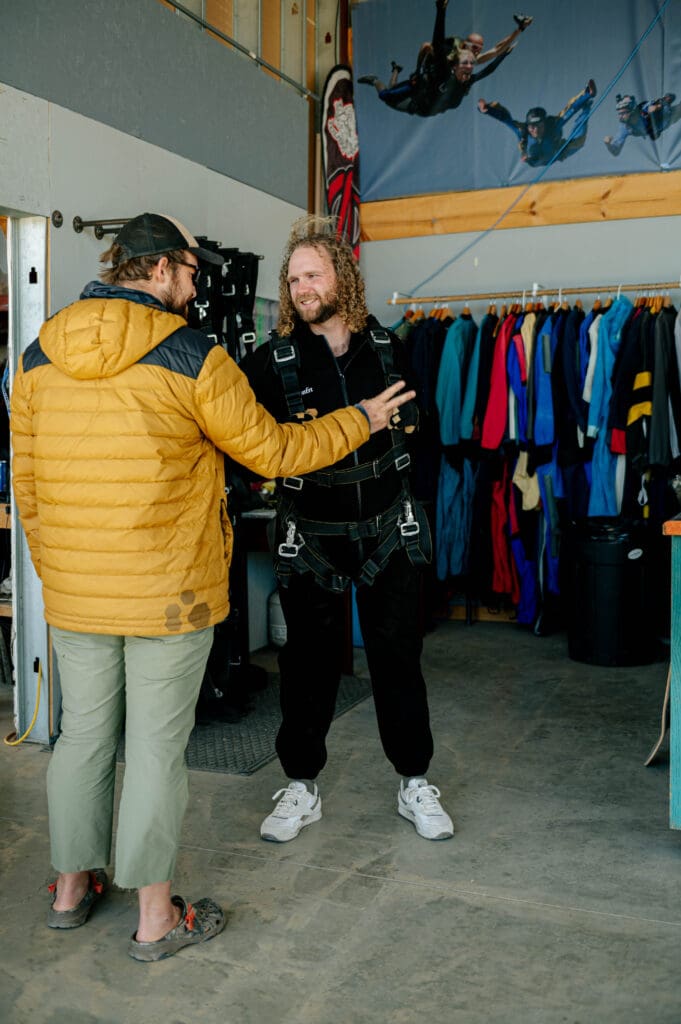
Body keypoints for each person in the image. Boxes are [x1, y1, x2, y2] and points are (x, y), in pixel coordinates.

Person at [9, 212, 414, 961]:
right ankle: (156, 917)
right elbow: (273, 450)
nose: (198, 287)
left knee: (83, 739)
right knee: (157, 749)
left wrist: (59, 568)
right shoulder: (193, 354)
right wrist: (358, 419)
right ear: (159, 270)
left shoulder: (36, 354)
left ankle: (70, 889)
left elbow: (27, 483)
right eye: (192, 273)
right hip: (170, 591)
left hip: (75, 592)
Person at [241, 216, 454, 844]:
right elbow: (245, 443)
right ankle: (301, 787)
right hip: (310, 536)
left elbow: (429, 434)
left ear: (343, 278)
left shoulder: (388, 348)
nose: (304, 286)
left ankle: (414, 780)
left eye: (314, 273)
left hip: (390, 531)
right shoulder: (268, 362)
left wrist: (423, 511)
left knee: (398, 660)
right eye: (294, 277)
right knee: (307, 666)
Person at [358, 0, 532, 118]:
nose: (478, 53)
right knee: (386, 94)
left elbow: (496, 49)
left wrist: (519, 30)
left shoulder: (470, 60)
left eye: (480, 49)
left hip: (428, 94)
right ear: (464, 46)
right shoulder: (451, 53)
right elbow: (427, 46)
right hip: (422, 82)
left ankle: (396, 70)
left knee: (394, 92)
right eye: (476, 48)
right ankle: (377, 80)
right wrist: (417, 71)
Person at [478, 79, 597, 166]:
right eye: (532, 127)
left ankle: (586, 108)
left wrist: (587, 95)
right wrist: (487, 110)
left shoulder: (553, 124)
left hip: (556, 153)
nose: (535, 130)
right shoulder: (522, 131)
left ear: (544, 123)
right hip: (533, 159)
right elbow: (504, 118)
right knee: (532, 153)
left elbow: (570, 110)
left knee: (579, 140)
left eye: (539, 126)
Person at [604, 91, 681, 156]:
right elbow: (616, 152)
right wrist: (608, 144)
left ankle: (667, 102)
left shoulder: (643, 109)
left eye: (623, 113)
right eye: (619, 113)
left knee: (668, 101)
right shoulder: (625, 127)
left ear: (631, 111)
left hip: (668, 115)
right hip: (663, 124)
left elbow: (664, 101)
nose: (620, 116)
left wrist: (658, 106)